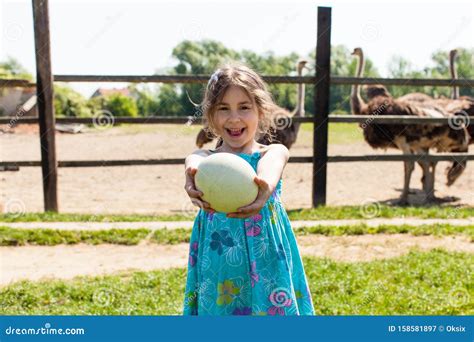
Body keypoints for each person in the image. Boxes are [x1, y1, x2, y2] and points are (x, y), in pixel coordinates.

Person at [183, 63, 314, 315]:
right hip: (220, 259)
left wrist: (263, 184)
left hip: (266, 260)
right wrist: (192, 174)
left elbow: (273, 164)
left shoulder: (272, 152)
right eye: (223, 109)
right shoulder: (205, 159)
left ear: (261, 111)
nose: (234, 118)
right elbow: (194, 161)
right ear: (211, 116)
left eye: (244, 107)